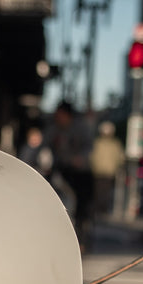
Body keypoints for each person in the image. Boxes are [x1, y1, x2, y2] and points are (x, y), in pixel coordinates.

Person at [46, 101, 95, 251]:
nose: (59, 118)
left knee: (82, 210)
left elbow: (89, 147)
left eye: (61, 115)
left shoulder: (82, 127)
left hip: (81, 174)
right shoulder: (54, 129)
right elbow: (44, 145)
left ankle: (81, 241)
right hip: (62, 172)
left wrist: (80, 158)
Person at [90, 120, 125, 219]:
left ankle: (100, 210)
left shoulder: (100, 143)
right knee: (102, 191)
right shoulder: (113, 144)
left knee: (102, 191)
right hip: (103, 171)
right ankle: (101, 210)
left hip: (102, 171)